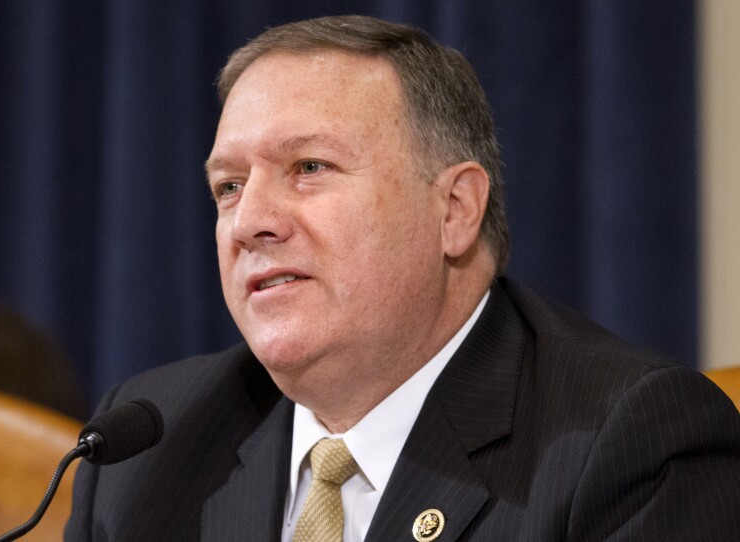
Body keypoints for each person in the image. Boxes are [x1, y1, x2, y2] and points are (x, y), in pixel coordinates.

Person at [65, 15, 740, 541]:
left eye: (309, 168)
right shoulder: (147, 453)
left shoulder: (628, 447)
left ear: (454, 210)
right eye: (230, 185)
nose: (251, 222)